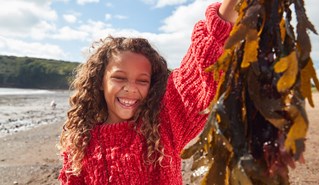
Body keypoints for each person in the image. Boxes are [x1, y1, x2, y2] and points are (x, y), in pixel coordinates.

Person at [58, 0, 238, 184]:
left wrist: (228, 10)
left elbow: (202, 66)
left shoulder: (163, 126)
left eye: (142, 80)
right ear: (100, 82)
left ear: (152, 86)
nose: (131, 88)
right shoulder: (79, 145)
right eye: (119, 77)